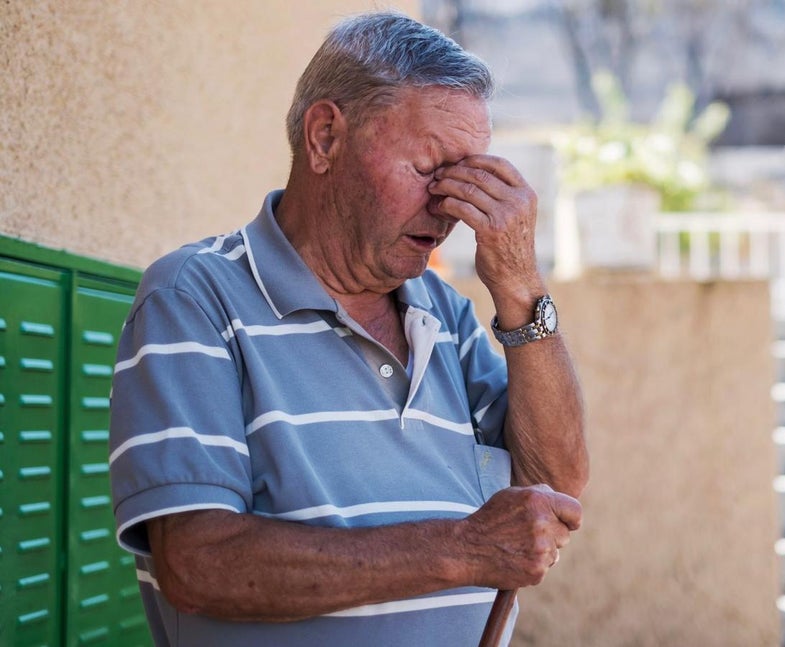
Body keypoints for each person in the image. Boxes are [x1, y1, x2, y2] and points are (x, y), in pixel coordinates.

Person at [108, 11, 589, 647]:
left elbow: (555, 482)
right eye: (428, 170)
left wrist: (523, 289)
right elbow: (198, 563)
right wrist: (464, 551)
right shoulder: (193, 298)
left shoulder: (442, 311)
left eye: (467, 177)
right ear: (326, 137)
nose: (451, 210)